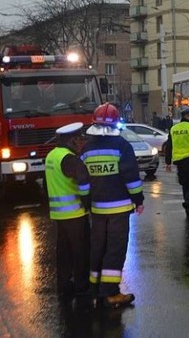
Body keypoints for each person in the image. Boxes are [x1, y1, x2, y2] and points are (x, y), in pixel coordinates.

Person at [80, 102, 144, 308]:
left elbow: (83, 182)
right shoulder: (122, 146)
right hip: (119, 209)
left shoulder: (86, 149)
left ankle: (95, 288)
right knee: (115, 249)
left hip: (97, 209)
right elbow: (131, 178)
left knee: (98, 247)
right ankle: (111, 293)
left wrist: (87, 203)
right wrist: (139, 200)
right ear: (116, 123)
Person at [44, 122, 91, 299]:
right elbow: (84, 182)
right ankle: (82, 286)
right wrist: (88, 204)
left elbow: (46, 185)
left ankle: (64, 285)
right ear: (71, 140)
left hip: (59, 214)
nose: (81, 143)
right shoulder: (70, 159)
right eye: (79, 139)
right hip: (75, 213)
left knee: (63, 252)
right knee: (80, 251)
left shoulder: (51, 156)